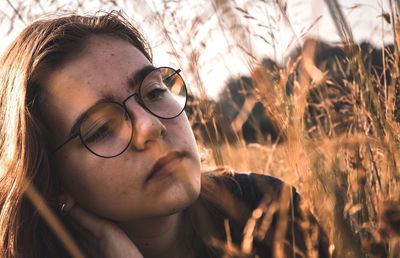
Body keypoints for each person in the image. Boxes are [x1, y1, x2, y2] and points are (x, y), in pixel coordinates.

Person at [0, 11, 332, 258]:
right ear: (52, 179)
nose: (150, 127)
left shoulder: (267, 209)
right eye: (101, 128)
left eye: (154, 92)